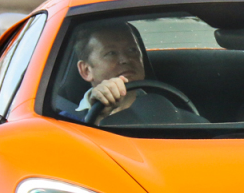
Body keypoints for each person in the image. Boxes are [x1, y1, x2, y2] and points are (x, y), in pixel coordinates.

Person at [73, 20, 204, 125]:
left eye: (132, 50)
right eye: (111, 53)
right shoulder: (65, 121)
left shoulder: (167, 109)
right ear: (86, 70)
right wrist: (99, 116)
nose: (125, 59)